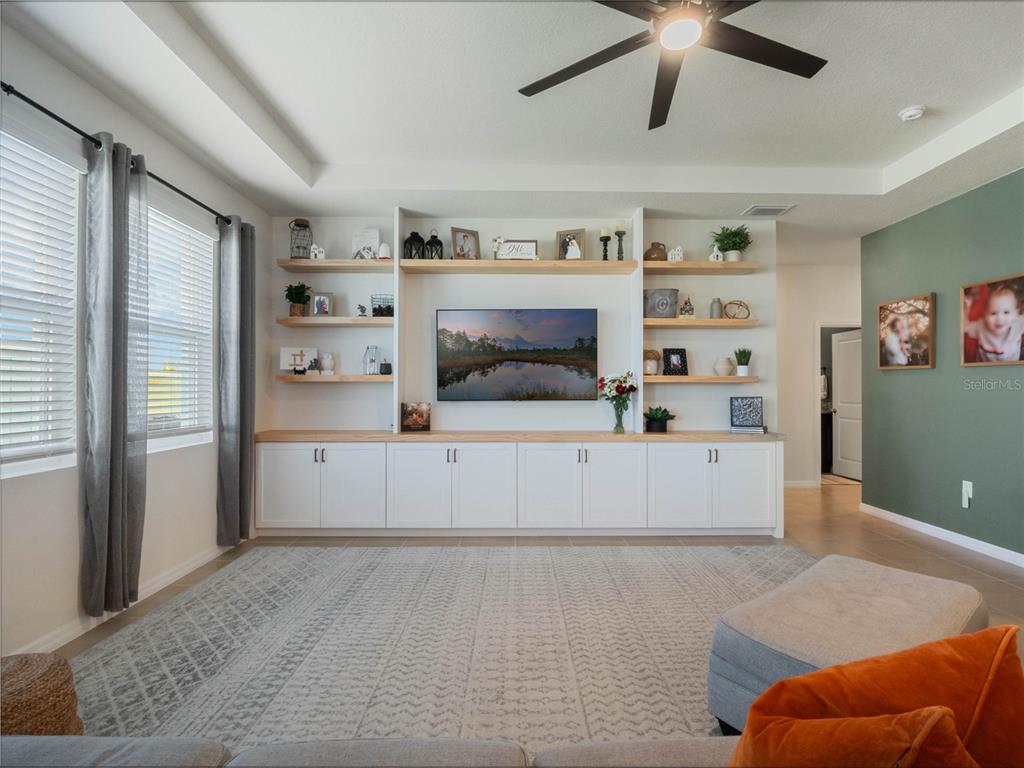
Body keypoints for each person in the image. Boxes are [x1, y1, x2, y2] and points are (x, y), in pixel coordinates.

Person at [963, 283, 1024, 362]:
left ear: (1016, 314)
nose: (999, 318)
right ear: (985, 315)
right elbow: (965, 327)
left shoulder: (1018, 323)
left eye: (1006, 312)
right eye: (993, 313)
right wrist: (966, 307)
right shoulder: (981, 326)